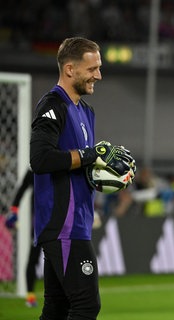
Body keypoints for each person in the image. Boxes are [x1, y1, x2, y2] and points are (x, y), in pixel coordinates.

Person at [30, 37, 135, 320]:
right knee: (87, 305)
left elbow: (82, 164)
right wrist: (89, 156)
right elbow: (40, 159)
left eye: (99, 68)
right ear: (69, 69)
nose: (98, 75)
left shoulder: (86, 112)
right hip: (62, 225)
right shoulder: (53, 105)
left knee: (57, 309)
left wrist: (105, 173)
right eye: (92, 69)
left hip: (78, 222)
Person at [5, 168, 41, 307]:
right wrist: (14, 212)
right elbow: (21, 189)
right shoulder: (35, 167)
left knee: (57, 259)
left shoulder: (59, 164)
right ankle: (30, 295)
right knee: (34, 257)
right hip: (39, 223)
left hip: (58, 221)